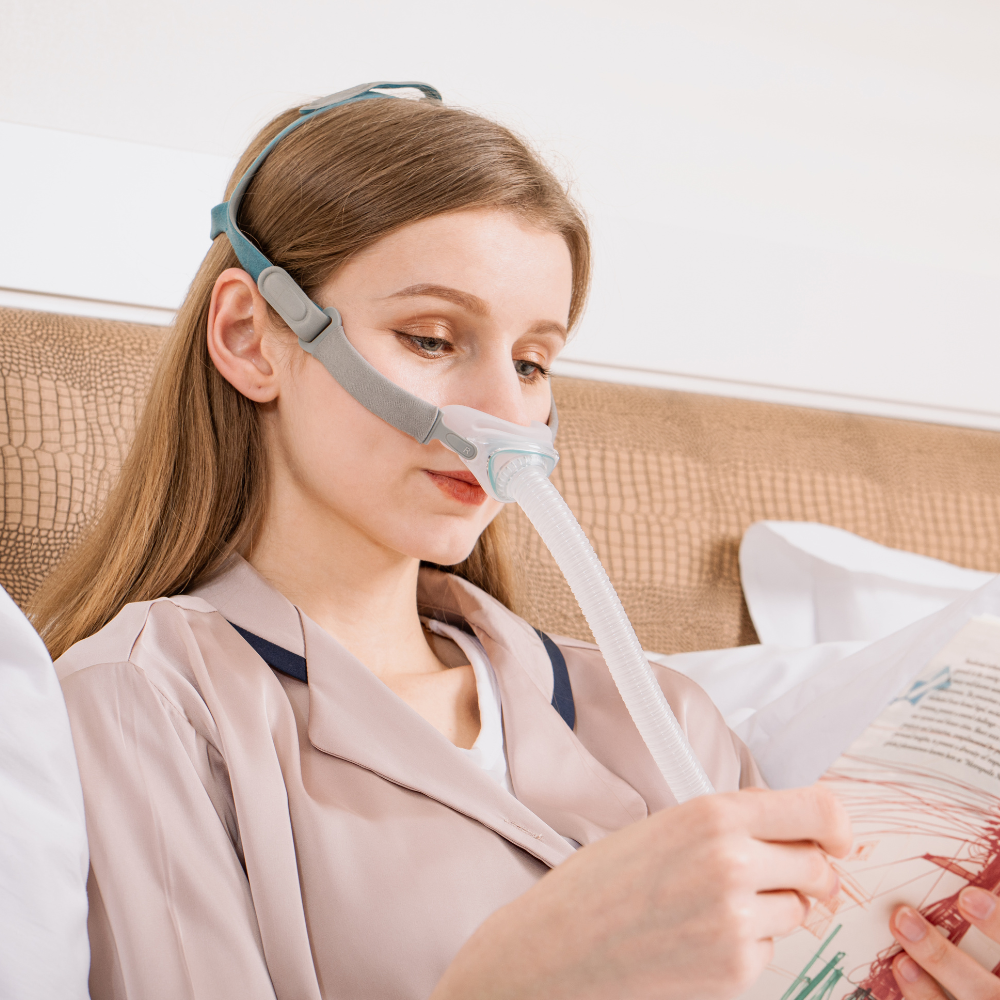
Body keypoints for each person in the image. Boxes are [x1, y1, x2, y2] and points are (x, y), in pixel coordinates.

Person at [28, 84, 942, 1000]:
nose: (507, 415)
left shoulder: (663, 718)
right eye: (432, 338)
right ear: (251, 337)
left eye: (533, 362)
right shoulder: (149, 704)